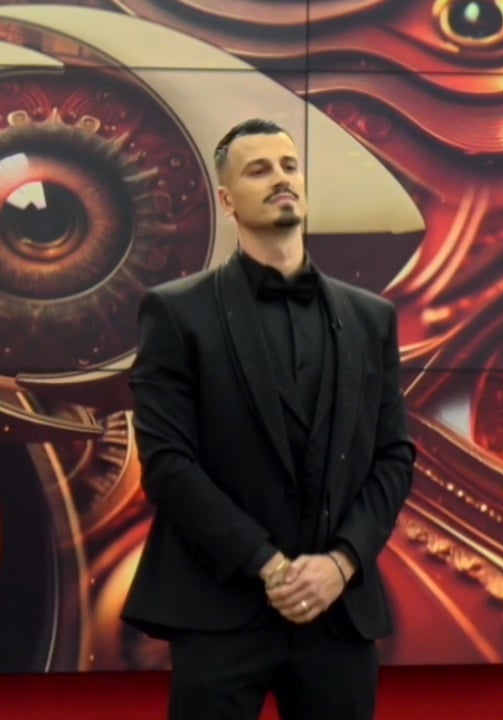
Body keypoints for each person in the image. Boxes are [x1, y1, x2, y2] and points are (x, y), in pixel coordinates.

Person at [123, 117, 415, 720]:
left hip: (338, 613)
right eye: (258, 170)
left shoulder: (372, 318)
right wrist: (270, 567)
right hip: (218, 608)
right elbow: (169, 465)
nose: (281, 179)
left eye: (289, 166)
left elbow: (393, 458)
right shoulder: (175, 313)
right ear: (227, 199)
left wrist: (341, 563)